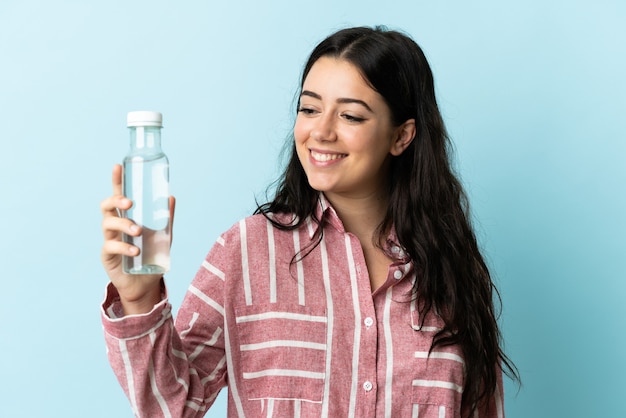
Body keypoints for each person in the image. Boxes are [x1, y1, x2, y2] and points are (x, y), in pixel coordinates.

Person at [100, 25, 518, 418]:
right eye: (309, 108)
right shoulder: (245, 253)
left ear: (401, 136)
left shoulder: (451, 274)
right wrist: (137, 300)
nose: (321, 132)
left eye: (350, 116)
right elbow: (170, 406)